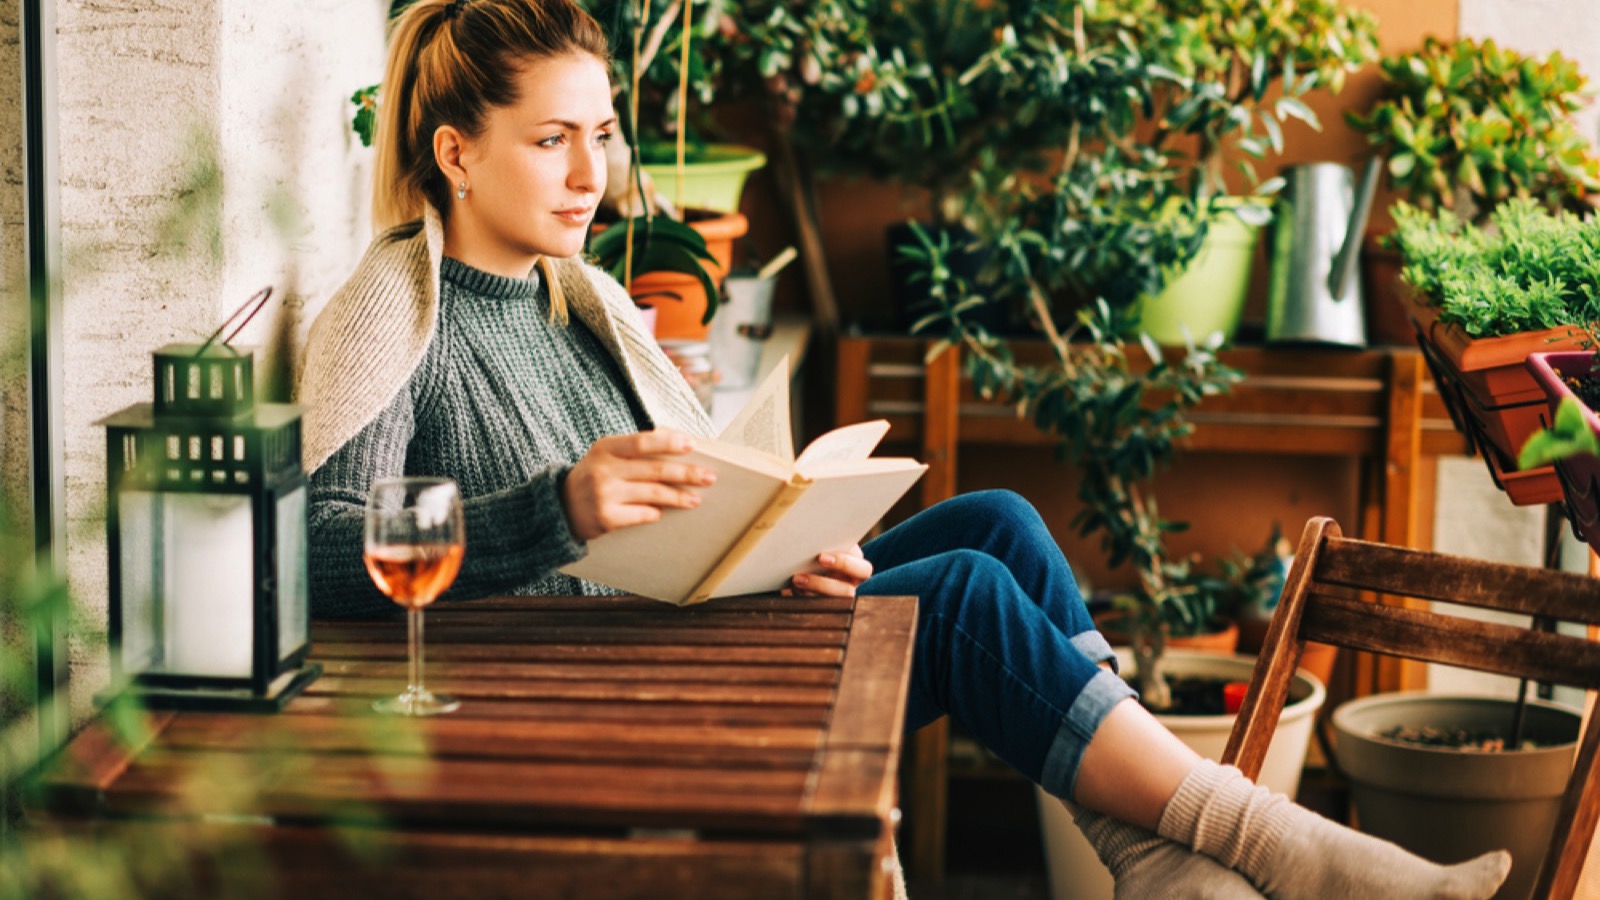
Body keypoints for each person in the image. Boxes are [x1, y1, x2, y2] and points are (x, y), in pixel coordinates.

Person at [297, 2, 1512, 897]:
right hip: (591, 677)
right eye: (549, 140)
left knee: (995, 524)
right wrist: (555, 504)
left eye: (600, 135)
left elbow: (676, 503)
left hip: (669, 621)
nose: (589, 174)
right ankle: (1276, 850)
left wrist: (788, 535)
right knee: (972, 598)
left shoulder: (580, 300)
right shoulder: (389, 309)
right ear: (454, 152)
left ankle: (1158, 866)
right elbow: (308, 554)